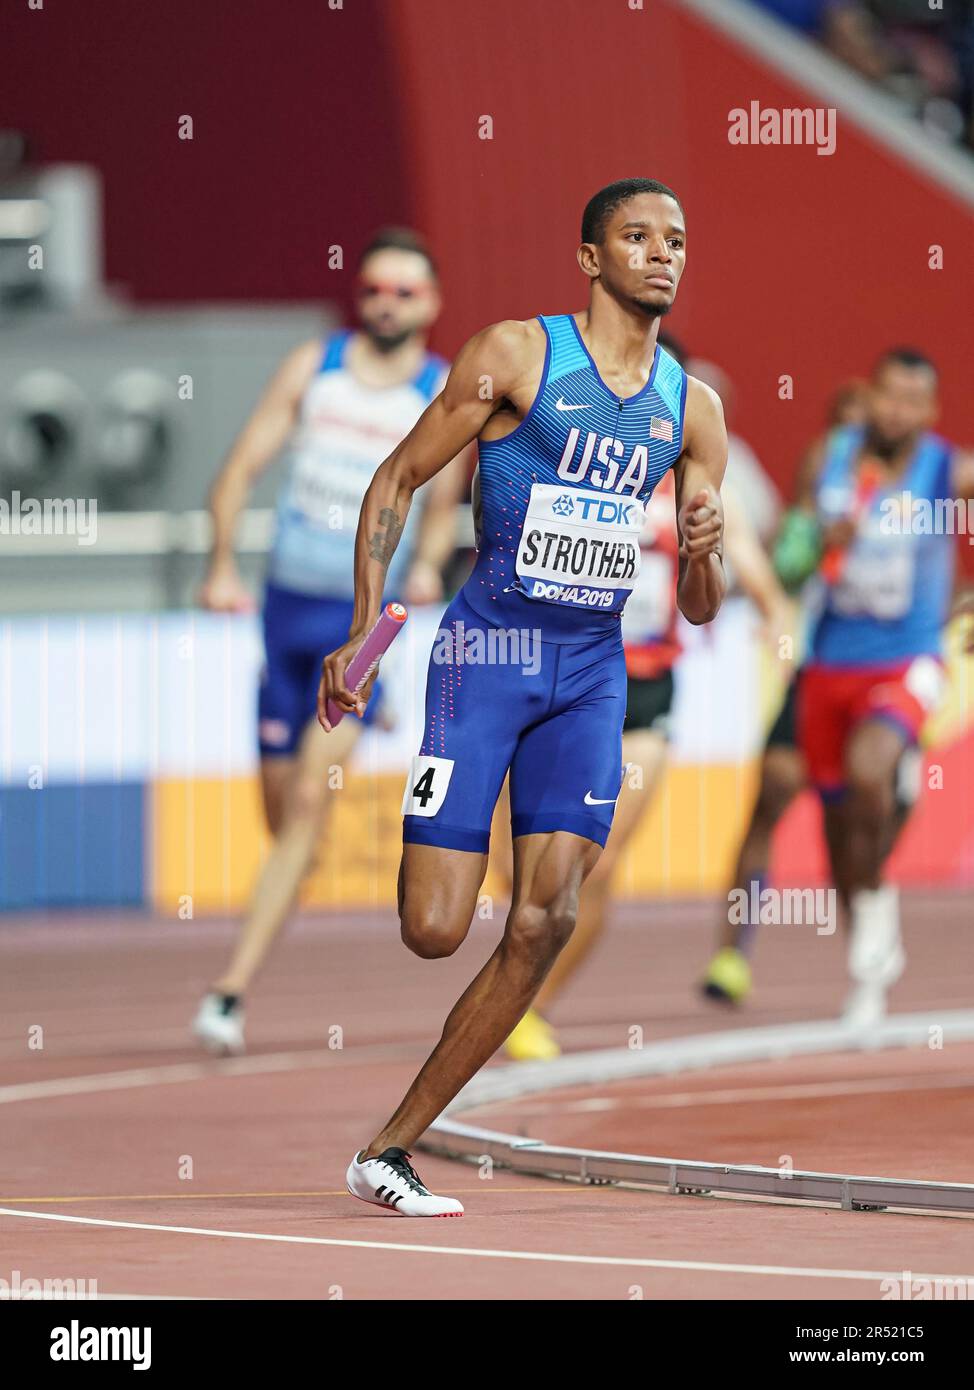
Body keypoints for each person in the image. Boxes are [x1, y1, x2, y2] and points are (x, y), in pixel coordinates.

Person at [320, 178, 728, 1215]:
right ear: (590, 258)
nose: (662, 254)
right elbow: (395, 479)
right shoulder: (515, 355)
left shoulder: (693, 409)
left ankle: (389, 1149)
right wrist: (363, 626)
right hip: (486, 655)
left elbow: (699, 607)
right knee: (432, 927)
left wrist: (702, 553)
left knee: (546, 915)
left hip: (591, 675)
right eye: (636, 237)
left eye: (676, 240)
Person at [193, 228, 465, 1054]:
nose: (386, 303)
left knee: (310, 804)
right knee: (286, 821)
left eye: (404, 292)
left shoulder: (441, 388)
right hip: (284, 615)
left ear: (432, 303)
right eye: (374, 288)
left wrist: (427, 565)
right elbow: (237, 470)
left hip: (360, 625)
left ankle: (228, 992)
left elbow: (443, 503)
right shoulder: (315, 367)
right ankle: (286, 881)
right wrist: (220, 565)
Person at [496, 339, 792, 1061]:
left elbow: (761, 585)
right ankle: (513, 982)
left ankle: (531, 1005)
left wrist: (777, 632)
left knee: (592, 857)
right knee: (517, 866)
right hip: (554, 678)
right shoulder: (569, 458)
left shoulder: (697, 483)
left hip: (644, 693)